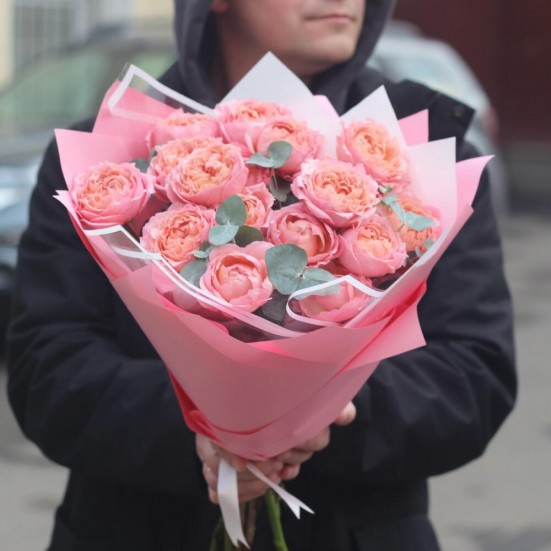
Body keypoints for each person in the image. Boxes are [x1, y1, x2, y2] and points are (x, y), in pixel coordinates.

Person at [6, 0, 516, 549]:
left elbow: (474, 377)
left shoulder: (420, 158)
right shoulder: (105, 164)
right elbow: (47, 371)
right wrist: (203, 428)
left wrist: (330, 416)